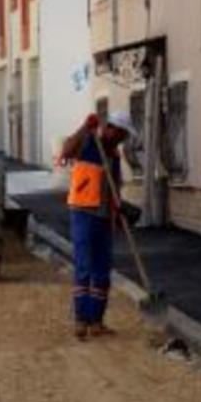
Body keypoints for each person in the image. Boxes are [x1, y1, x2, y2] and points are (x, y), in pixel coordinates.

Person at [59, 111, 136, 341]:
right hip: (83, 214)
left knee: (102, 271)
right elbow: (66, 151)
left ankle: (97, 322)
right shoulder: (88, 142)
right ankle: (81, 321)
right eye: (122, 134)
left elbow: (114, 188)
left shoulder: (113, 155)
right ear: (112, 129)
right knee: (84, 267)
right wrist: (84, 126)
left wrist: (120, 210)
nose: (123, 139)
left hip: (105, 218)